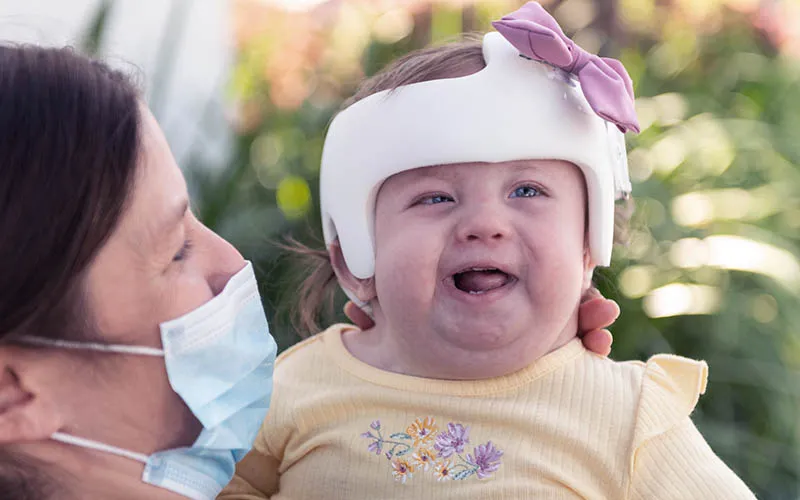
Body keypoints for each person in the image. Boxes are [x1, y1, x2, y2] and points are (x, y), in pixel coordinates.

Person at [0, 42, 617, 500]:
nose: (233, 265)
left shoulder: (624, 417)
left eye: (529, 192)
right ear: (13, 391)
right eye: (175, 252)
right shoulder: (304, 397)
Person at [220, 3, 756, 499]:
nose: (483, 225)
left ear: (589, 244)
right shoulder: (297, 388)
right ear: (355, 262)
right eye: (435, 197)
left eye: (527, 191)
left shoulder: (629, 418)